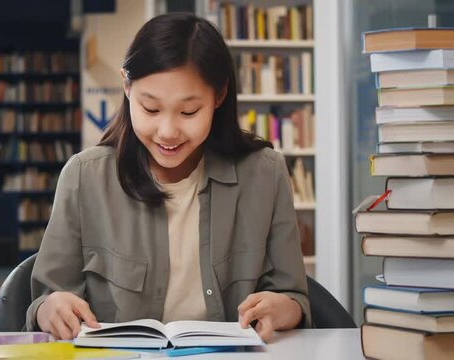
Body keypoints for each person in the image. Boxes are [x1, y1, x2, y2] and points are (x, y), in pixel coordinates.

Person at [24, 12, 311, 341]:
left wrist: (286, 308)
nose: (168, 131)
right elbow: (45, 299)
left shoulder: (265, 174)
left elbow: (295, 298)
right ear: (127, 87)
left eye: (189, 112)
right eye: (151, 109)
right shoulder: (83, 177)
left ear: (218, 96)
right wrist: (49, 307)